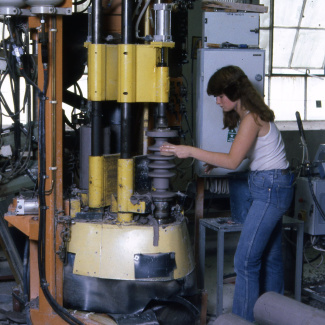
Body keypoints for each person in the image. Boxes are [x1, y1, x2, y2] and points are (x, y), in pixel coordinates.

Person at [160, 65, 294, 322]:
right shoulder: (253, 117)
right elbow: (245, 157)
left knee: (245, 260)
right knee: (272, 257)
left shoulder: (251, 118)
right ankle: (277, 315)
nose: (218, 101)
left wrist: (190, 150)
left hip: (270, 187)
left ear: (235, 93)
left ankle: (241, 320)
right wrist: (215, 161)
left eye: (221, 96)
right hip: (272, 183)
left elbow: (233, 161)